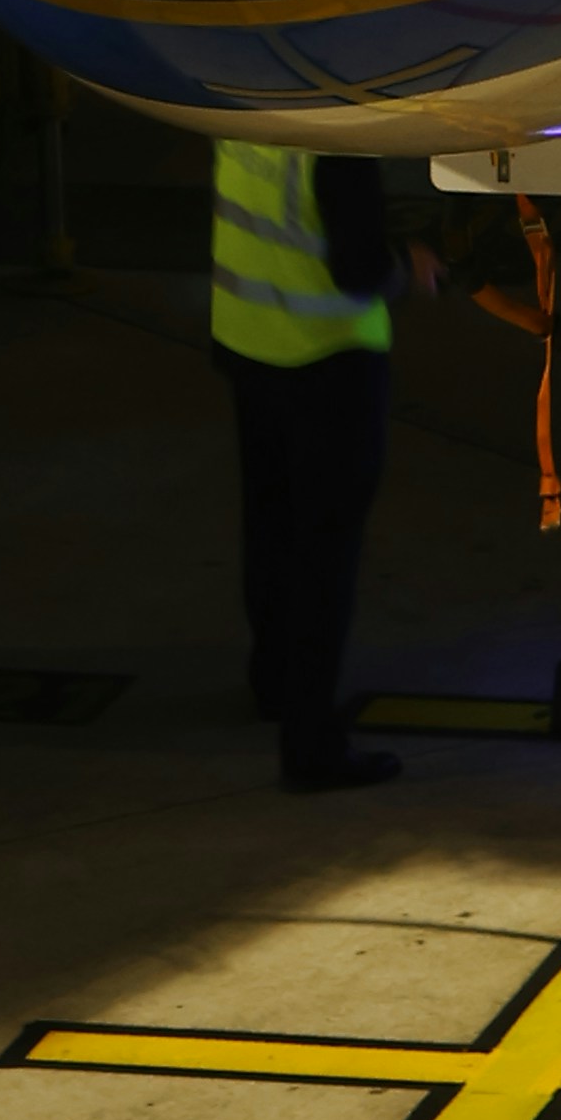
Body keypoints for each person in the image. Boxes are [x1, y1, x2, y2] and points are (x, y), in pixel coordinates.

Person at [208, 138, 434, 793]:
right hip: (328, 367)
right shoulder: (336, 145)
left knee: (270, 525)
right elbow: (358, 268)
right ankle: (312, 745)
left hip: (250, 345)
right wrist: (410, 268)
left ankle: (273, 683)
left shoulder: (238, 108)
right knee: (324, 561)